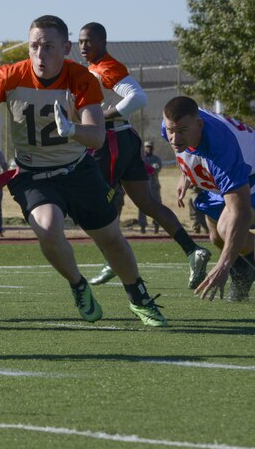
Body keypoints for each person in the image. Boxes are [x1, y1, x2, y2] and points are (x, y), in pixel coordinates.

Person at [0, 15, 167, 327]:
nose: (40, 54)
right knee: (48, 228)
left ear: (65, 48)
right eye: (34, 46)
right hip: (31, 172)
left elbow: (96, 136)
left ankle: (138, 296)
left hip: (76, 168)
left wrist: (72, 129)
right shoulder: (10, 76)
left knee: (111, 238)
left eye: (48, 46)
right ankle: (79, 285)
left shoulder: (81, 79)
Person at [78, 23, 211, 289]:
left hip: (113, 140)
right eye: (80, 41)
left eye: (88, 41)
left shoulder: (106, 67)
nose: (83, 46)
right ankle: (191, 250)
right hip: (123, 138)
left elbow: (137, 97)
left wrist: (106, 115)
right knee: (146, 203)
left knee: (95, 200)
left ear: (103, 42)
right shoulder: (95, 68)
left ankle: (113, 258)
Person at [161, 96, 255, 304]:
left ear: (199, 124)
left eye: (181, 131)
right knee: (216, 236)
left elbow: (241, 212)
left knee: (228, 228)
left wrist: (223, 265)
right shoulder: (172, 125)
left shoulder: (222, 147)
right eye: (171, 130)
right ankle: (246, 270)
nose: (173, 138)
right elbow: (181, 143)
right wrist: (186, 176)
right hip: (219, 175)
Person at [137, 141, 162, 234]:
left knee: (157, 207)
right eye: (147, 147)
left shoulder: (156, 159)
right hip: (143, 187)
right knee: (142, 207)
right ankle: (142, 226)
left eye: (150, 147)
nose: (149, 149)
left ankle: (156, 226)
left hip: (154, 188)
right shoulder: (140, 159)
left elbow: (155, 169)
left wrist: (148, 168)